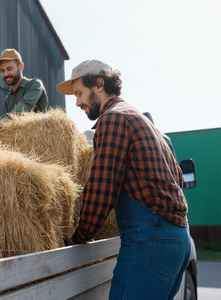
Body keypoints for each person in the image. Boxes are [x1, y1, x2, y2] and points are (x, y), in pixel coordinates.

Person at [57, 59, 191, 300]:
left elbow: (102, 189)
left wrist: (78, 236)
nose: (77, 102)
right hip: (177, 239)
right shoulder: (142, 120)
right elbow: (178, 179)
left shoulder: (114, 119)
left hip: (150, 240)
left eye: (79, 93)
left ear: (99, 84)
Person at [0, 49, 48, 138]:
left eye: (9, 69)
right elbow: (10, 123)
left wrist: (4, 120)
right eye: (2, 71)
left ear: (21, 66)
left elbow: (25, 105)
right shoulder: (8, 98)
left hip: (38, 140)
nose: (6, 74)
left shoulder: (35, 85)